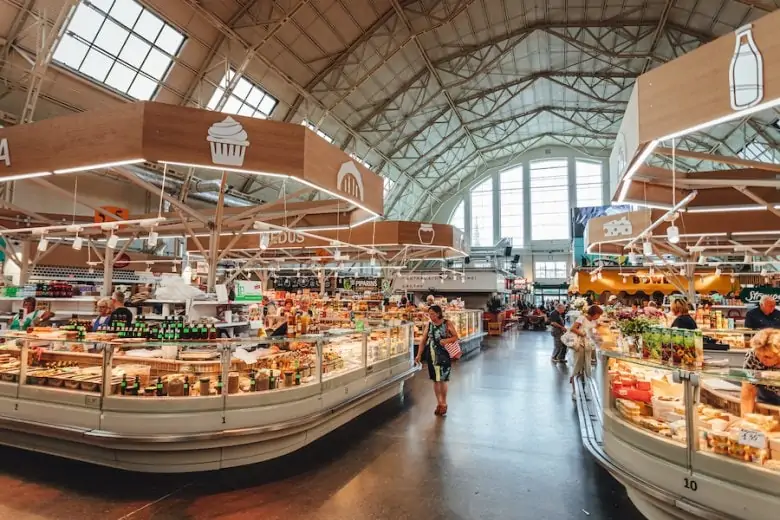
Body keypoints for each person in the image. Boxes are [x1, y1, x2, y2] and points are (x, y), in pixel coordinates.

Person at [414, 304, 459, 416]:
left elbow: (455, 337)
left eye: (433, 314)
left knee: (443, 378)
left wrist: (446, 341)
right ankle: (438, 402)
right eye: (429, 314)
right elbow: (423, 340)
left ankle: (444, 402)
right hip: (432, 354)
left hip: (444, 354)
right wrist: (419, 354)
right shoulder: (429, 325)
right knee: (435, 379)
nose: (431, 316)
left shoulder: (447, 323)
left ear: (439, 313)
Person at [741, 330, 780, 412]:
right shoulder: (753, 356)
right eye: (758, 355)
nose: (761, 360)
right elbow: (748, 391)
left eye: (767, 357)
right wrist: (745, 421)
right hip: (766, 401)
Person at [569, 305, 604, 391]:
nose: (599, 316)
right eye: (598, 314)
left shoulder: (593, 321)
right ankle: (574, 390)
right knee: (577, 366)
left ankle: (583, 389)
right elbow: (572, 328)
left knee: (586, 366)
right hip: (580, 345)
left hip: (588, 345)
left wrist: (596, 337)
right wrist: (583, 334)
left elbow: (591, 331)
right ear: (594, 313)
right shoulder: (582, 318)